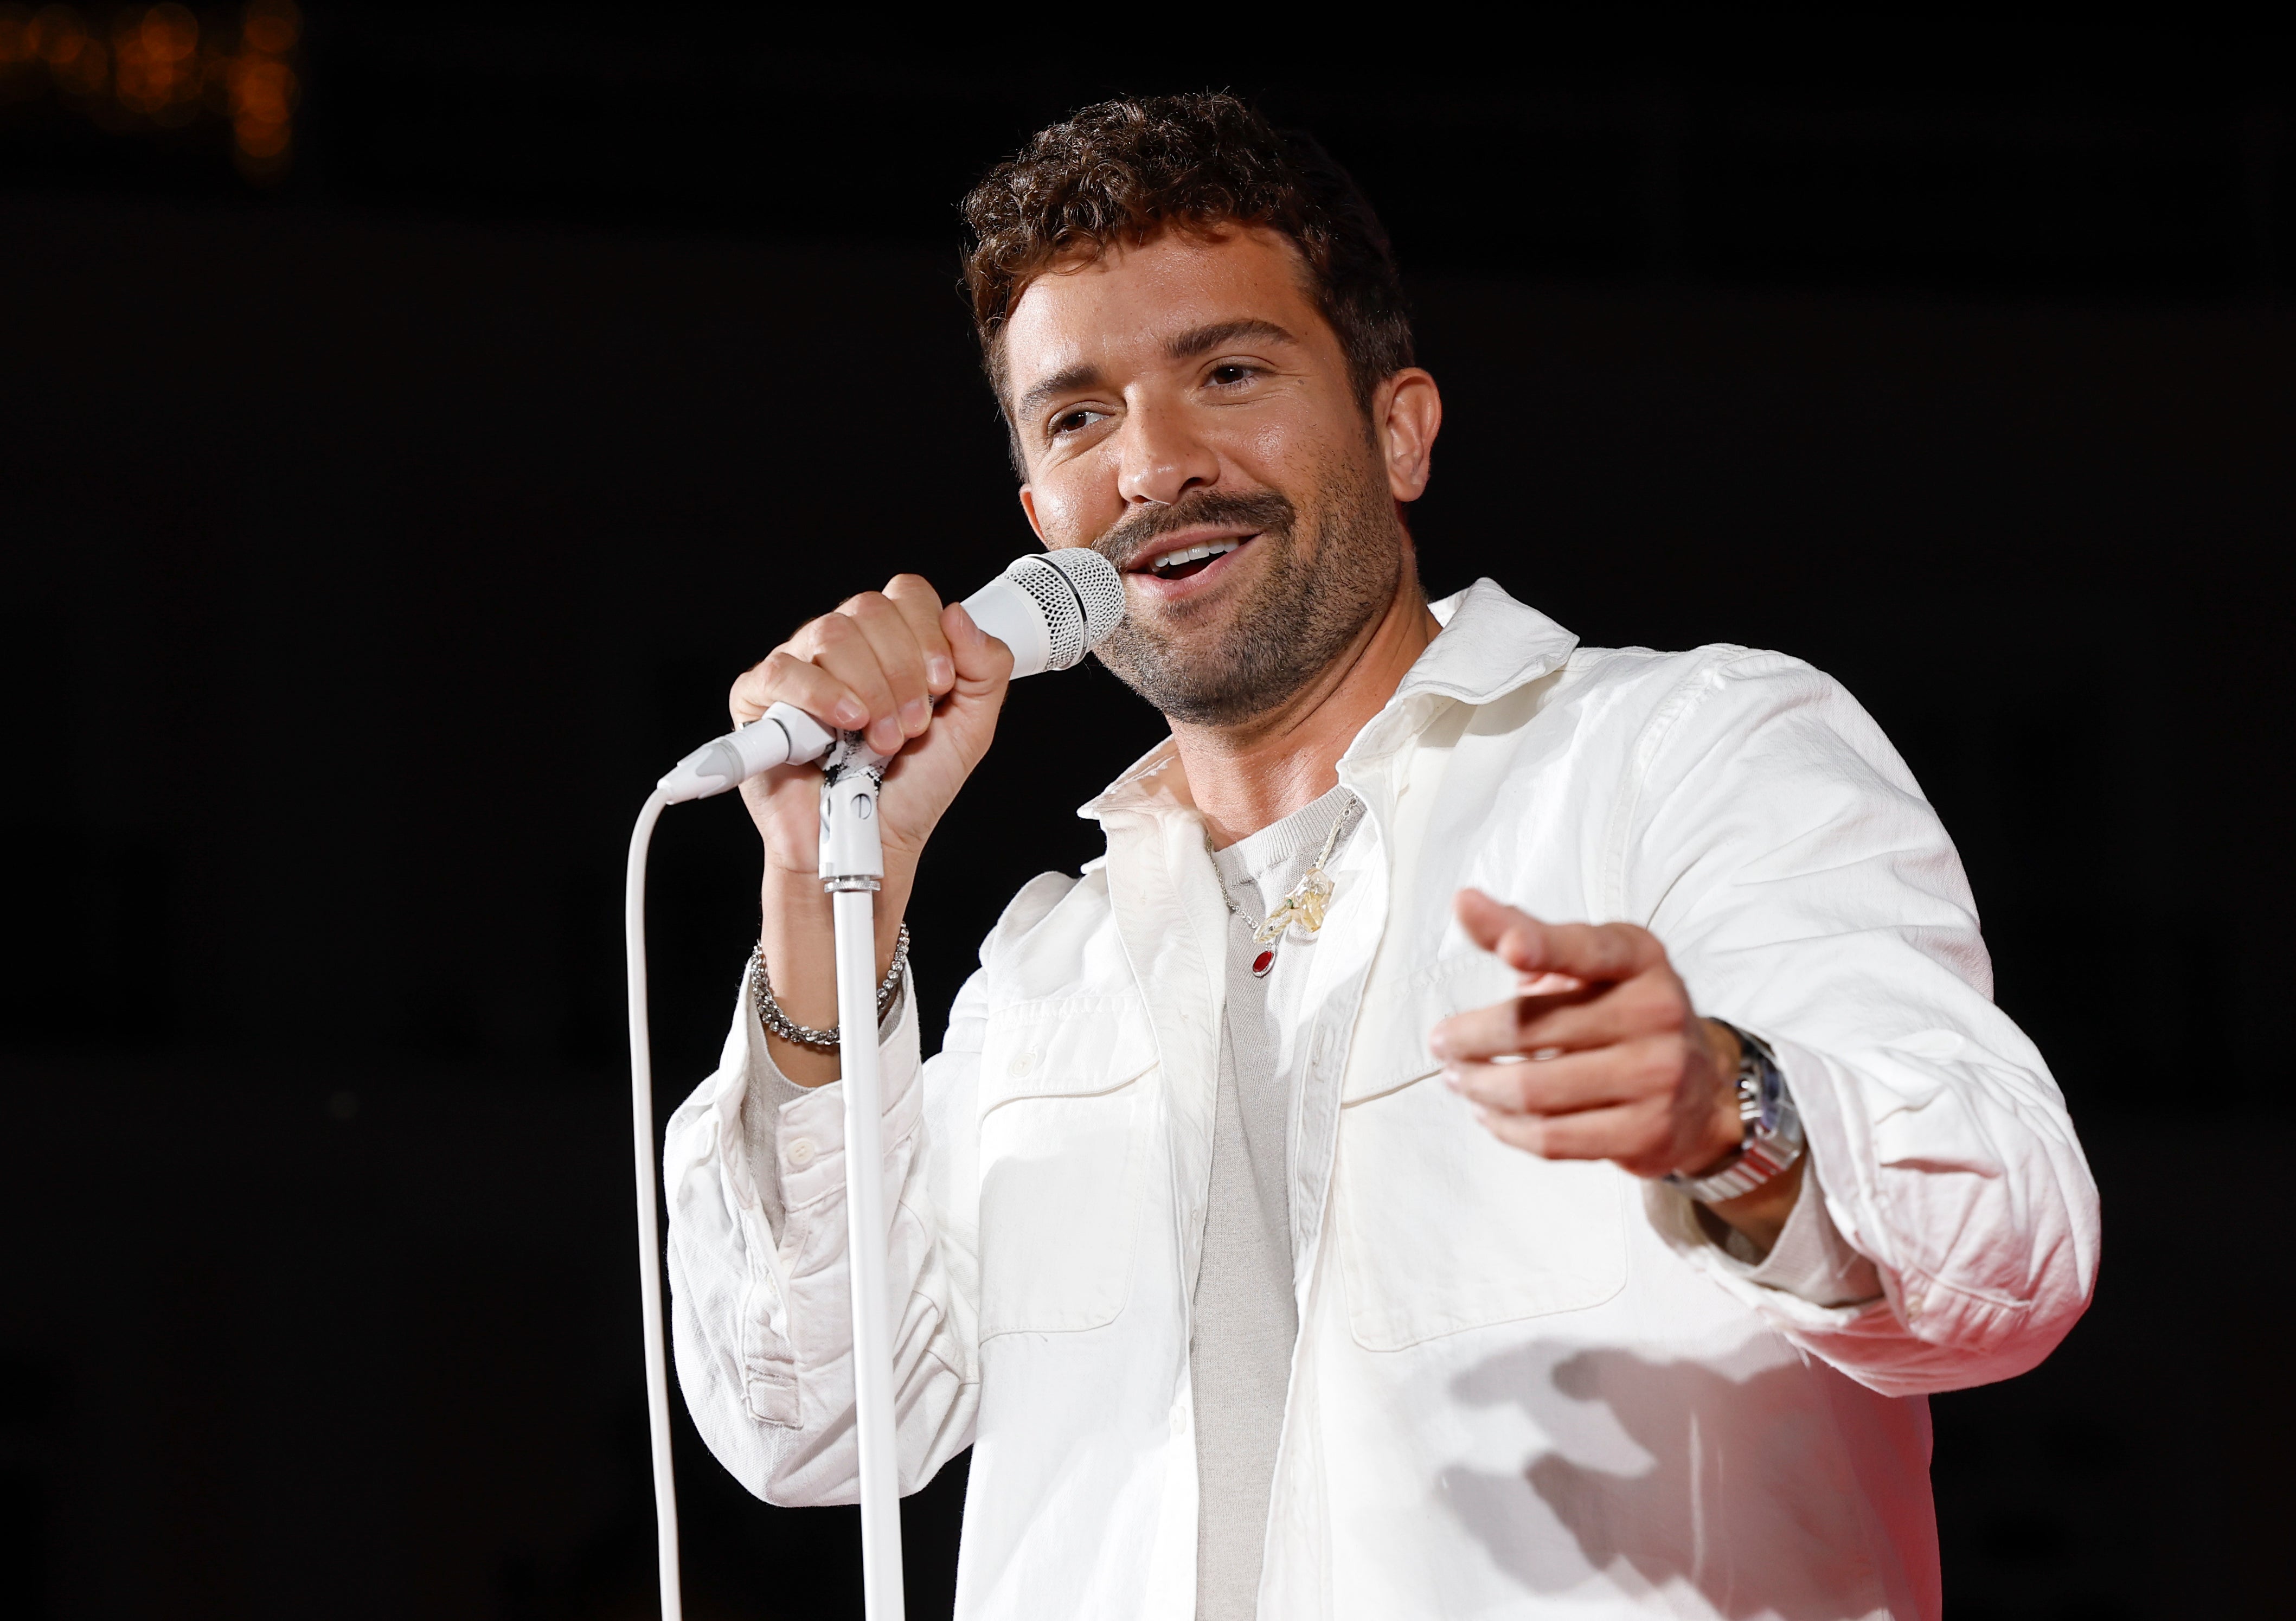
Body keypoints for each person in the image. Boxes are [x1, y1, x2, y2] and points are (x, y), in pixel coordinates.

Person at [663, 92, 2098, 1621]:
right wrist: (827, 889)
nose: (1153, 466)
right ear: (1037, 521)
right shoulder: (1041, 974)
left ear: (1398, 430)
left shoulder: (1687, 755)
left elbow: (2014, 1255)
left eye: (1228, 372)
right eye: (1078, 418)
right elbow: (806, 1418)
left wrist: (1725, 1114)